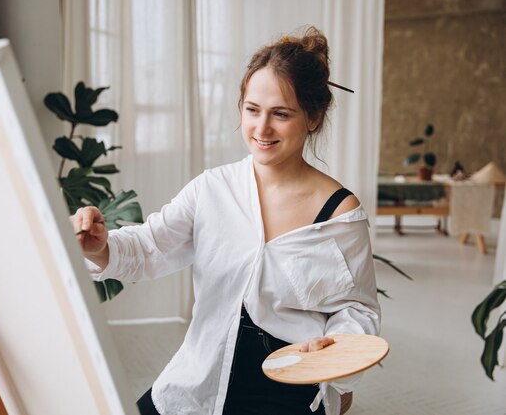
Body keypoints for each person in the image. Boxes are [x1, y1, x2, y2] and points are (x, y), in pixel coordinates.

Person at [72, 26, 380, 415]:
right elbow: (150, 248)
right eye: (252, 110)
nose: (261, 129)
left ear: (313, 117)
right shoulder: (212, 189)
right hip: (199, 381)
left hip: (291, 389)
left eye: (281, 114)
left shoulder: (339, 213)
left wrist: (333, 347)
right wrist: (100, 246)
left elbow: (358, 311)